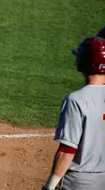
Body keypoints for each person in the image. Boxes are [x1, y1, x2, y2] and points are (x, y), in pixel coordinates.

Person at [42, 36, 105, 190]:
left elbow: (67, 151)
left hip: (78, 183)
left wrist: (49, 187)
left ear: (82, 63)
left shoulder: (76, 100)